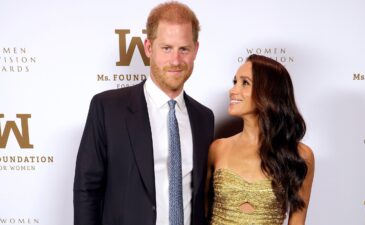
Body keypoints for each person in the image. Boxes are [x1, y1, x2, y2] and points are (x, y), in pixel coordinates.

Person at [73, 2, 214, 225]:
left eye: (184, 49)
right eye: (166, 48)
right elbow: (87, 191)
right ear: (149, 48)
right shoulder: (108, 108)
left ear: (196, 50)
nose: (175, 60)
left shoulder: (204, 118)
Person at [205, 54, 314, 225]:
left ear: (269, 92)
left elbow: (297, 220)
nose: (232, 90)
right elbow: (203, 213)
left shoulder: (300, 155)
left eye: (245, 83)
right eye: (235, 82)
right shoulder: (218, 148)